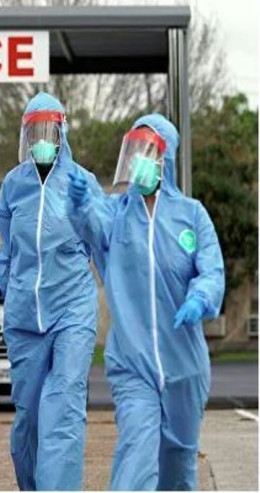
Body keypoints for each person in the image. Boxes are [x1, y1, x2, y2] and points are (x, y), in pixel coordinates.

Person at [67, 114, 225, 490]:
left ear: (164, 160)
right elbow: (92, 224)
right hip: (132, 363)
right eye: (134, 151)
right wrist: (81, 204)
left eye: (147, 152)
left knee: (178, 463)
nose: (139, 160)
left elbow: (212, 271)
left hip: (184, 365)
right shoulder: (116, 212)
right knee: (137, 450)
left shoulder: (192, 215)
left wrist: (200, 298)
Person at [0, 92, 101, 490]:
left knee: (63, 407)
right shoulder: (14, 186)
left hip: (72, 310)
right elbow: (8, 252)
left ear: (62, 134)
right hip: (25, 316)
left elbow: (105, 244)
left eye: (50, 131)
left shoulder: (83, 184)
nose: (42, 139)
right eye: (35, 132)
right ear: (25, 136)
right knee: (28, 418)